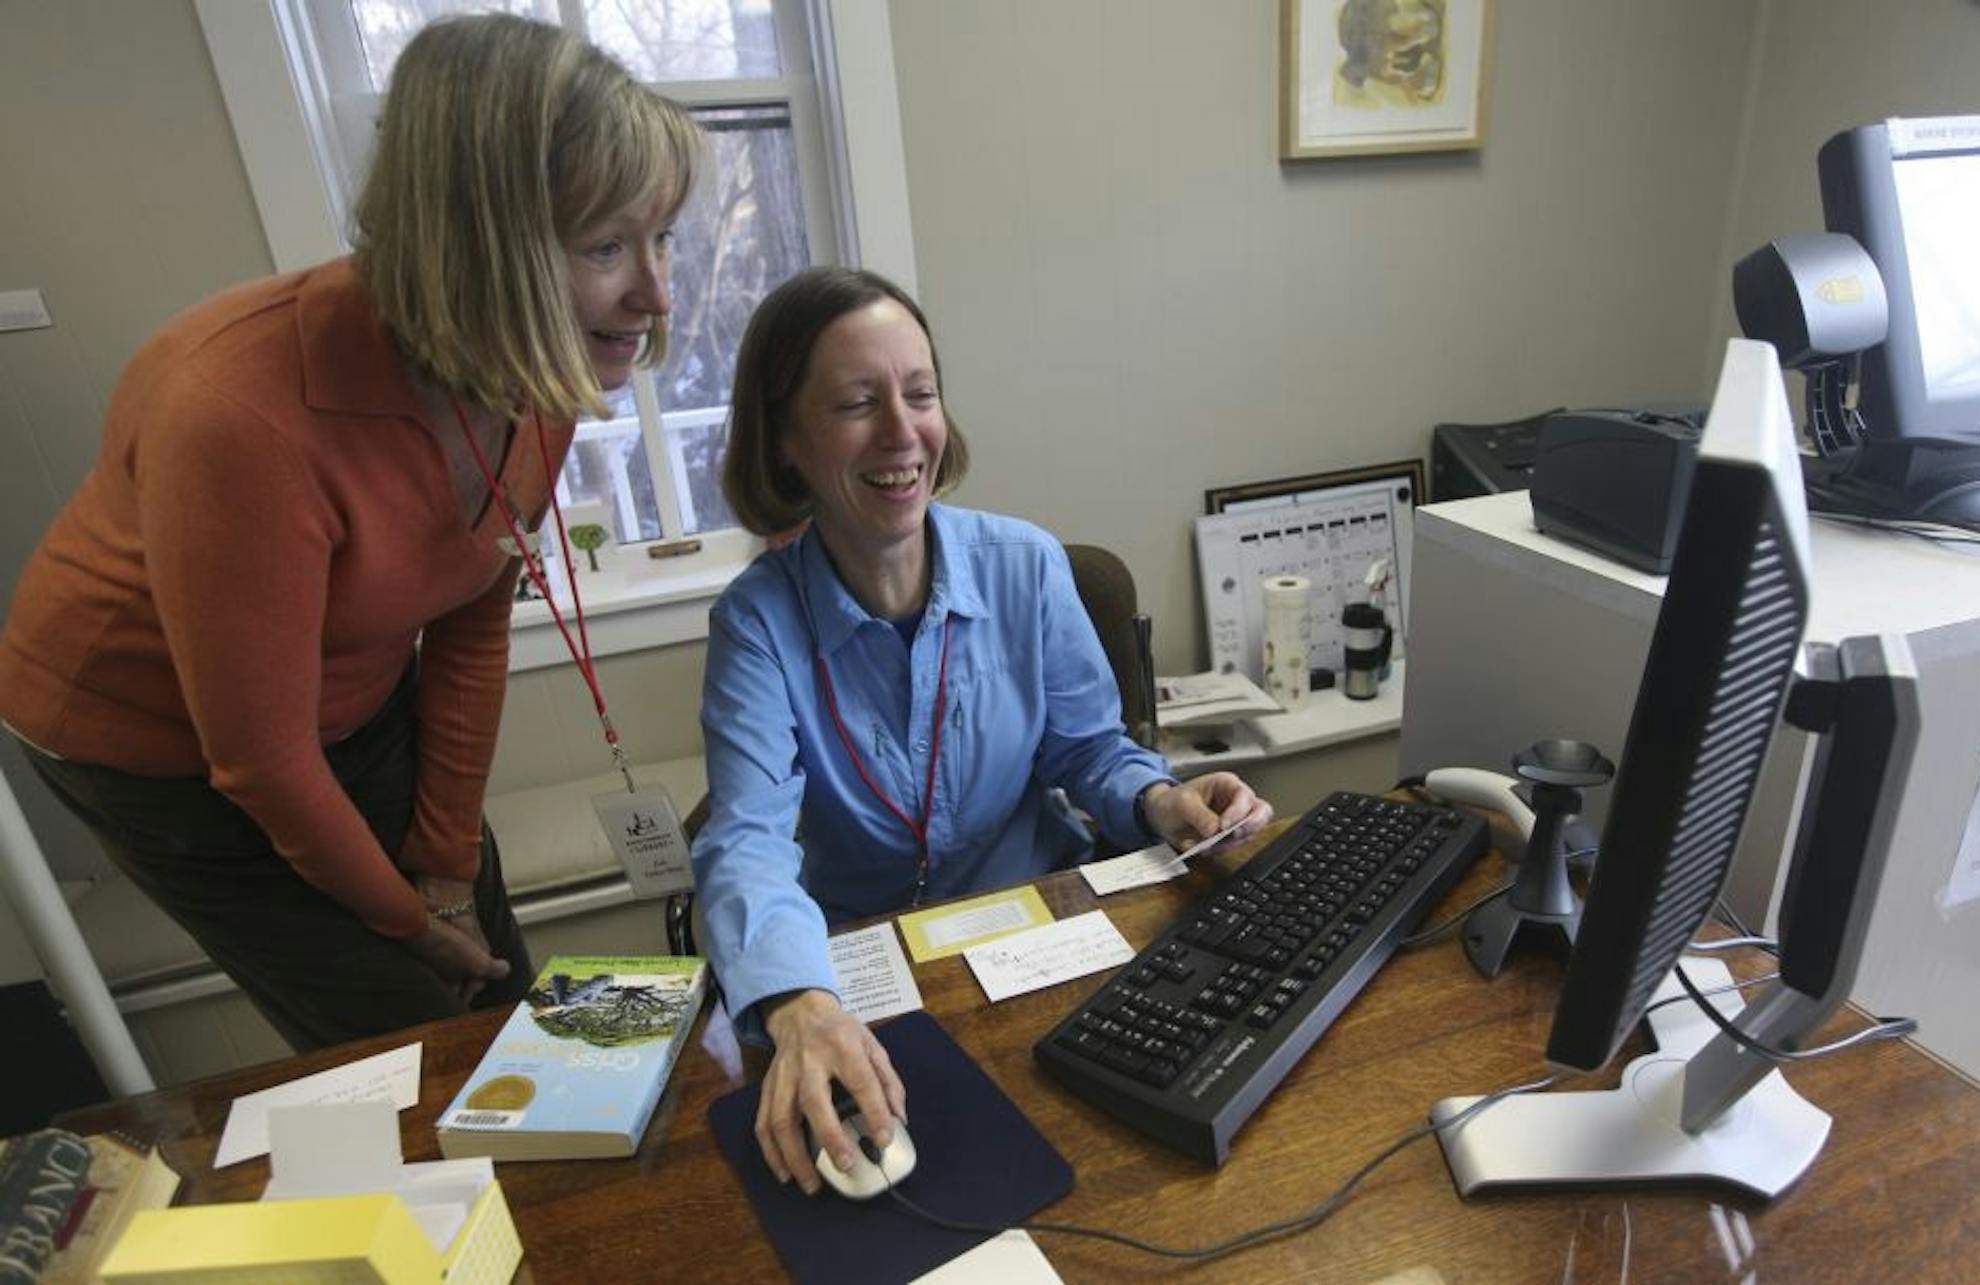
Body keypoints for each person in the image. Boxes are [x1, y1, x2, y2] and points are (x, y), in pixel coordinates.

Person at [0, 14, 699, 1051]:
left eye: (662, 236)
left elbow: (472, 622)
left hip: (350, 699)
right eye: (606, 245)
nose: (658, 293)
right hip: (156, 746)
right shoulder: (233, 413)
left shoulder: (535, 363)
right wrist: (410, 919)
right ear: (474, 241)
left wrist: (450, 866)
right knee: (401, 1025)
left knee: (497, 974)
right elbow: (262, 760)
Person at [697, 266, 1276, 1194]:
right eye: (856, 403)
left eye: (920, 394)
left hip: (1045, 947)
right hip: (863, 984)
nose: (903, 432)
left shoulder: (1028, 565)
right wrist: (799, 1004)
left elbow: (1089, 749)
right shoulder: (757, 625)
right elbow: (747, 840)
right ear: (789, 443)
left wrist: (1161, 798)